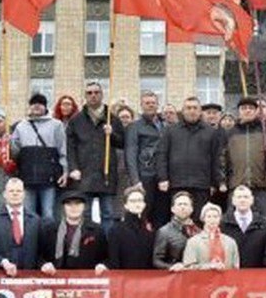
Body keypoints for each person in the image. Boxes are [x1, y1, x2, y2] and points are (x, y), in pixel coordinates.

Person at [67, 80, 124, 230]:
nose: (93, 95)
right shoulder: (76, 120)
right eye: (89, 93)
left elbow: (122, 143)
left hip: (106, 173)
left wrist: (112, 134)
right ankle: (87, 242)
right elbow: (70, 147)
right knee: (84, 214)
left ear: (102, 95)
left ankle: (106, 243)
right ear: (85, 96)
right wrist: (73, 168)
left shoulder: (112, 119)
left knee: (108, 213)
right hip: (84, 173)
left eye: (96, 92)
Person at [157, 96, 226, 219]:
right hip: (176, 183)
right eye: (188, 108)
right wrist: (163, 178)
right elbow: (162, 155)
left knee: (199, 219)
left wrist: (214, 183)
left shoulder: (211, 132)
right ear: (183, 111)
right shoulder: (170, 131)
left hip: (202, 185)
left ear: (200, 111)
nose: (192, 111)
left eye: (195, 108)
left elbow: (216, 159)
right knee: (179, 218)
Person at [12, 93, 68, 221]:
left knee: (48, 214)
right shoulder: (20, 126)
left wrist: (65, 171)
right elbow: (15, 153)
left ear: (45, 107)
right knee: (28, 216)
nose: (36, 106)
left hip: (49, 178)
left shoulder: (56, 125)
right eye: (33, 103)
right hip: (27, 178)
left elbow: (63, 150)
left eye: (40, 103)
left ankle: (49, 235)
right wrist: (10, 143)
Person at [223, 96, 266, 216]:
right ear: (239, 111)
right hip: (237, 184)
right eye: (244, 108)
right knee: (234, 220)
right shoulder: (230, 133)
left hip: (260, 185)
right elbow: (223, 157)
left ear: (255, 111)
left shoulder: (265, 131)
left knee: (261, 220)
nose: (247, 110)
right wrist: (223, 180)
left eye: (251, 108)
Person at [124, 91, 168, 227]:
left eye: (153, 103)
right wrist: (135, 180)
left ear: (158, 105)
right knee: (143, 213)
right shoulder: (134, 127)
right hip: (144, 176)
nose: (150, 105)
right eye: (147, 103)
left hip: (163, 177)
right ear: (141, 105)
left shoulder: (166, 126)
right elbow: (130, 153)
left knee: (162, 214)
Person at [53, 189, 108, 270]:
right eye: (69, 204)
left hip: (87, 275)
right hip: (56, 276)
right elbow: (40, 256)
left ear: (84, 206)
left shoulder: (97, 230)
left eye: (78, 203)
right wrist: (43, 264)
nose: (73, 208)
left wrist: (103, 265)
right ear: (63, 207)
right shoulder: (50, 229)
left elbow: (106, 257)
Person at [221, 185, 266, 268]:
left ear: (252, 200)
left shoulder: (265, 224)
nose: (242, 200)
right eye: (239, 197)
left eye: (246, 197)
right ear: (233, 200)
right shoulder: (223, 223)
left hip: (257, 272)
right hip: (231, 272)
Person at [108, 186, 157, 270]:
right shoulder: (116, 230)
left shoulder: (151, 230)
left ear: (144, 204)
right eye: (133, 201)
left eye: (140, 200)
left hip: (147, 276)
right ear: (126, 205)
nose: (137, 204)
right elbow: (114, 260)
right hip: (124, 276)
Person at [181, 203, 239, 270]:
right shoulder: (193, 242)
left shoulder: (230, 242)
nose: (212, 220)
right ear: (203, 219)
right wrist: (208, 266)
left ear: (220, 219)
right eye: (209, 217)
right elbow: (188, 267)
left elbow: (236, 267)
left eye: (215, 216)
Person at [155, 192, 200, 270]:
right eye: (179, 204)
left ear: (192, 209)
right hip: (175, 275)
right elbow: (156, 260)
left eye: (185, 204)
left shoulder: (199, 232)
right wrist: (171, 267)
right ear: (172, 209)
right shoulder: (164, 232)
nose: (182, 207)